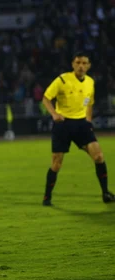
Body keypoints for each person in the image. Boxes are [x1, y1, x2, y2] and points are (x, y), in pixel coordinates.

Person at [42, 52, 114, 205]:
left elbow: (89, 103)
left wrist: (88, 121)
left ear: (88, 66)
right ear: (73, 64)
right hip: (63, 124)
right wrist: (54, 114)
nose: (81, 66)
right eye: (78, 62)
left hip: (81, 125)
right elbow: (46, 98)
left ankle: (105, 193)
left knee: (99, 156)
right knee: (56, 164)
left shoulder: (90, 82)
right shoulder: (62, 80)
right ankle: (47, 197)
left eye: (84, 63)